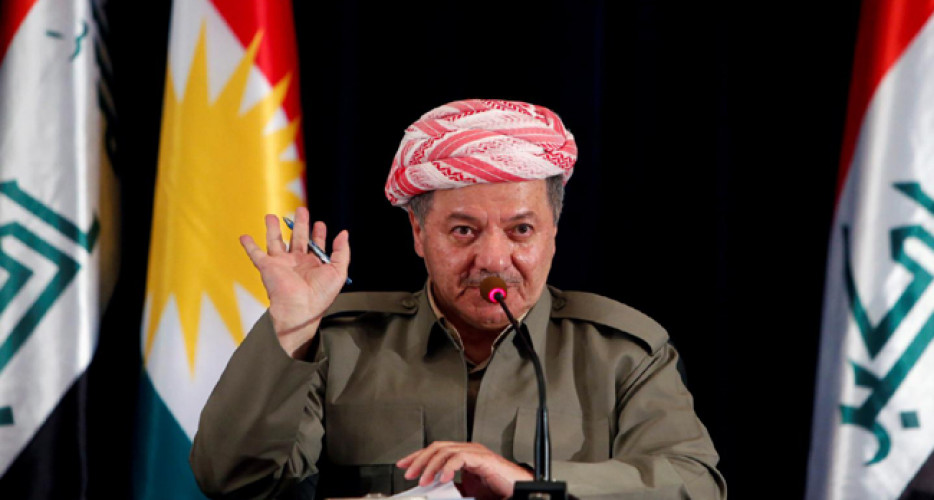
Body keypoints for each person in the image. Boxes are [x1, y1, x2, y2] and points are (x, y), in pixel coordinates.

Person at [190, 99, 727, 499]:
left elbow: (696, 484)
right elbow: (234, 481)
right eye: (464, 231)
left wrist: (530, 484)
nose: (492, 259)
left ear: (553, 233)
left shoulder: (623, 353)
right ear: (418, 234)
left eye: (520, 230)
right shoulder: (340, 343)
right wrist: (291, 328)